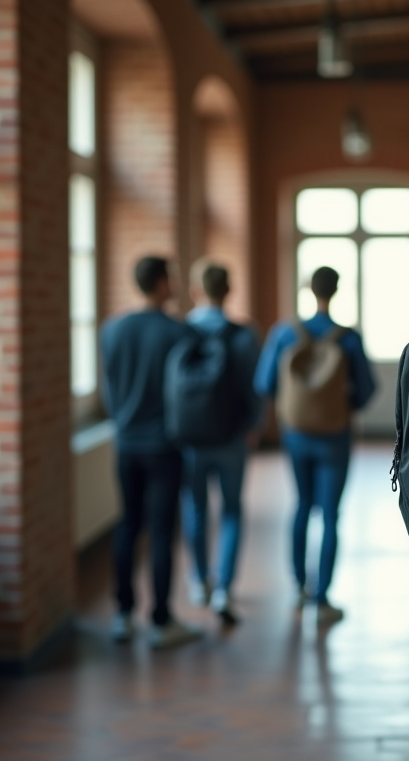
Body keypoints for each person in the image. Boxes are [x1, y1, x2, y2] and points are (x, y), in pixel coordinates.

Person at [254, 266, 376, 624]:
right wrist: (340, 404)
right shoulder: (348, 338)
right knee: (331, 515)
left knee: (302, 505)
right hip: (335, 436)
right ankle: (322, 601)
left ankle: (297, 589)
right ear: (336, 291)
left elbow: (264, 384)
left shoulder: (283, 333)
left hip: (296, 435)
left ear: (310, 289)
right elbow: (367, 391)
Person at [100, 256, 202, 649]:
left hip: (125, 443)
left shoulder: (112, 330)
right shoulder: (179, 332)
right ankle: (161, 618)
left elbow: (110, 387)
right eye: (172, 278)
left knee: (128, 524)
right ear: (161, 283)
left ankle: (123, 615)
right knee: (161, 531)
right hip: (164, 445)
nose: (175, 284)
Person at [179, 260, 262, 625]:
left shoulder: (179, 332)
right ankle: (225, 587)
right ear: (228, 290)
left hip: (190, 439)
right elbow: (255, 388)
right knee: (231, 510)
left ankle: (200, 580)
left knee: (194, 507)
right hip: (231, 437)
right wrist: (254, 426)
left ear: (195, 291)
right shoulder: (244, 335)